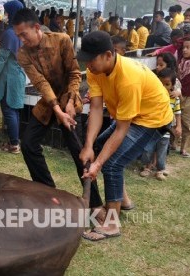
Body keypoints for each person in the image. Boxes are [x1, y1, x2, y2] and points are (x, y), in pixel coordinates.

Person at [78, 31, 173, 241]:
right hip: (133, 116)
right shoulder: (95, 70)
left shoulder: (128, 78)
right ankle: (125, 201)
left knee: (111, 163)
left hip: (153, 119)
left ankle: (112, 223)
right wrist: (88, 145)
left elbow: (121, 129)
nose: (88, 65)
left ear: (108, 55)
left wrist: (98, 163)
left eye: (91, 59)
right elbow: (95, 108)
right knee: (101, 144)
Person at [13, 8, 103, 209]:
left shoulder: (62, 40)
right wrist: (56, 109)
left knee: (79, 152)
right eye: (17, 36)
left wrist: (70, 102)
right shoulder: (22, 54)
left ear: (36, 28)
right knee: (28, 144)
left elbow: (74, 74)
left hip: (69, 101)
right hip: (48, 103)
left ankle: (95, 204)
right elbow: (40, 82)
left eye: (23, 35)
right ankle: (48, 193)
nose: (21, 40)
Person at [0, 0, 25, 154]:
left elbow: (2, 61)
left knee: (8, 109)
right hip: (19, 75)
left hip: (10, 76)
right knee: (14, 109)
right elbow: (12, 49)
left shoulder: (9, 32)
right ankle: (14, 141)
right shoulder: (21, 30)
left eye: (8, 12)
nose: (6, 16)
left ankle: (14, 144)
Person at [140, 68, 181, 180]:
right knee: (148, 149)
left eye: (167, 84)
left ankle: (160, 170)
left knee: (162, 151)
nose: (163, 87)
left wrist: (178, 126)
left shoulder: (174, 99)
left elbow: (178, 113)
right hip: (152, 129)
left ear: (172, 86)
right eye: (161, 84)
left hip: (166, 130)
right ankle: (147, 167)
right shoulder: (153, 98)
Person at [178, 37, 190, 157]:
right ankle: (171, 143)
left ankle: (184, 148)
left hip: (188, 98)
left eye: (188, 48)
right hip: (178, 95)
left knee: (186, 123)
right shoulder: (180, 62)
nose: (185, 50)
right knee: (174, 120)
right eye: (184, 47)